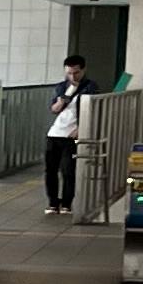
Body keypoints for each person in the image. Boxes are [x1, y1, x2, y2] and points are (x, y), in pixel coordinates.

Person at [44, 54, 92, 214]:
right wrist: (65, 96)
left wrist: (81, 128)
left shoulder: (90, 87)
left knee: (68, 171)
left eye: (76, 73)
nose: (72, 76)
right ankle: (52, 202)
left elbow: (94, 111)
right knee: (50, 170)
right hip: (55, 133)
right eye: (69, 73)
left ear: (83, 70)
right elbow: (54, 109)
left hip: (72, 136)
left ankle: (66, 203)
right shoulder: (61, 87)